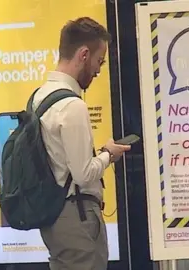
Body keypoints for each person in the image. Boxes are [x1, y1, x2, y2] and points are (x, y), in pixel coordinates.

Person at [32, 17, 131, 270]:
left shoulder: (40, 97)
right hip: (77, 216)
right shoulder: (72, 105)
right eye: (99, 61)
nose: (99, 70)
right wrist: (109, 154)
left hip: (54, 215)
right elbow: (83, 173)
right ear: (84, 54)